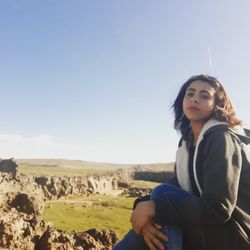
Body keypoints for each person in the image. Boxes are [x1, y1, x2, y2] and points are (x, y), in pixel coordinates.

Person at [113, 74, 250, 250]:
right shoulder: (187, 144)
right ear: (182, 100)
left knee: (162, 194)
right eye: (190, 93)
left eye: (205, 96)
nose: (195, 98)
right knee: (158, 201)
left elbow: (219, 209)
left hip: (231, 238)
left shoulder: (221, 138)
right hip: (206, 230)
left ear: (218, 104)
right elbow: (176, 186)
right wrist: (142, 206)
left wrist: (155, 209)